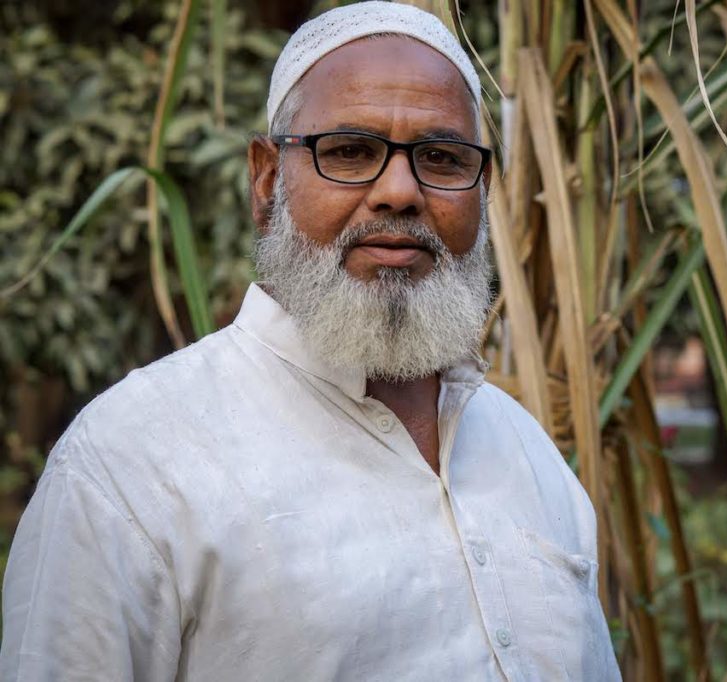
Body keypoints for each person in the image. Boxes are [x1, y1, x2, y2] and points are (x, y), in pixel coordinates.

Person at [0, 2, 620, 680]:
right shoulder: (131, 466)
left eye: (441, 159)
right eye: (350, 152)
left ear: (482, 188)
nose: (399, 192)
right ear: (267, 179)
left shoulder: (528, 455)